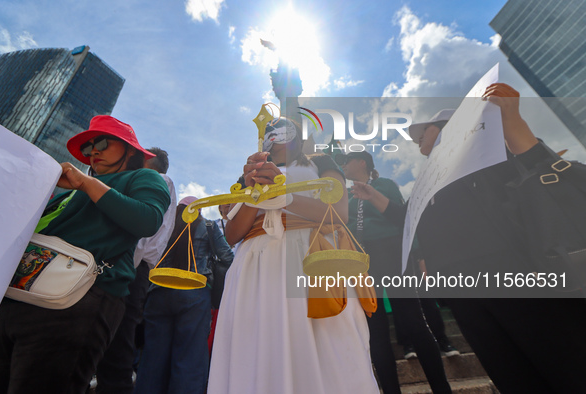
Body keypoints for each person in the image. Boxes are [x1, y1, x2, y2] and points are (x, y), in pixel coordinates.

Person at [351, 83, 586, 393]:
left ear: (451, 128)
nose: (417, 135)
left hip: (512, 273)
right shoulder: (427, 180)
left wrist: (512, 120)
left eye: (427, 128)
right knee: (510, 374)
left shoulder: (482, 154)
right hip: (460, 289)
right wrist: (372, 197)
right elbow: (408, 221)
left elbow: (534, 165)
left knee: (562, 364)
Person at [0, 115, 171, 393]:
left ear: (130, 149)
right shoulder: (68, 191)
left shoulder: (144, 176)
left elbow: (147, 220)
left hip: (77, 302)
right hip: (18, 295)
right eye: (88, 149)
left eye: (102, 142)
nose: (93, 152)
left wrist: (86, 184)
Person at [207, 118, 379, 394]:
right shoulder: (249, 173)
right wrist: (254, 190)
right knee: (257, 349)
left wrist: (282, 193)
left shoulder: (321, 161)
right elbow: (232, 234)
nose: (274, 138)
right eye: (269, 133)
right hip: (254, 265)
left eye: (282, 132)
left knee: (326, 347)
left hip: (308, 258)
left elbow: (338, 213)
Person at [337, 151, 451, 394]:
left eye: (347, 161)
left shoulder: (384, 184)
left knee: (413, 321)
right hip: (362, 263)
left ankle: (442, 389)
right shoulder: (344, 195)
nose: (343, 165)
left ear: (362, 162)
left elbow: (403, 218)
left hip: (391, 253)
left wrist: (419, 255)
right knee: (375, 332)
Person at [95, 147, 178, 393]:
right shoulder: (150, 181)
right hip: (134, 265)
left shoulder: (157, 181)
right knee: (116, 337)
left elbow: (144, 232)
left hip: (131, 265)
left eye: (140, 154)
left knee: (118, 339)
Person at [134, 196, 234, 394]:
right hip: (194, 293)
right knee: (190, 358)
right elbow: (227, 257)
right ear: (198, 210)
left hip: (158, 291)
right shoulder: (208, 225)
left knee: (153, 357)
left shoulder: (165, 226)